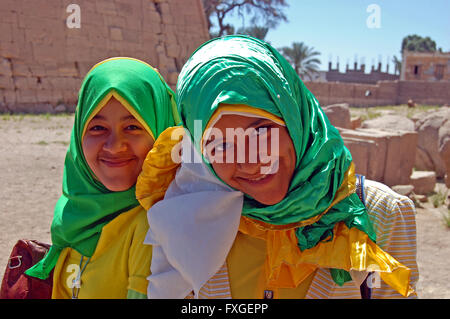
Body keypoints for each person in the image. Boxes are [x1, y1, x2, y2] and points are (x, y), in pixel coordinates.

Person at [136, 36, 418, 299]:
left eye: (261, 132)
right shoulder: (190, 219)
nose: (249, 161)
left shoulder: (381, 214)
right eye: (220, 145)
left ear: (295, 116)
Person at [25, 57, 179, 299]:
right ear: (78, 135)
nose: (115, 146)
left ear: (160, 130)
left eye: (133, 127)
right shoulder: (74, 213)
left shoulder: (154, 228)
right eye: (97, 128)